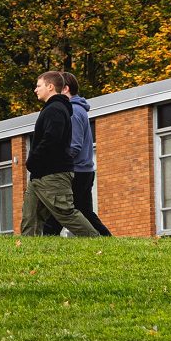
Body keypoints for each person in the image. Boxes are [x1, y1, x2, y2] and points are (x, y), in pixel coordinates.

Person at [21, 71, 101, 237]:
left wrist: (33, 159)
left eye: (38, 86)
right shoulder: (52, 109)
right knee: (31, 217)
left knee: (66, 213)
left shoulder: (56, 109)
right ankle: (26, 251)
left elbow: (52, 139)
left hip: (53, 174)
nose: (35, 90)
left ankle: (96, 240)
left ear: (50, 87)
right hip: (39, 175)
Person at [60, 72, 111, 236]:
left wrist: (59, 164)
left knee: (60, 210)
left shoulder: (73, 111)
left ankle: (45, 238)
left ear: (66, 89)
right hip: (84, 170)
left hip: (77, 171)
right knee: (84, 211)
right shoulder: (78, 110)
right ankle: (105, 239)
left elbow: (74, 145)